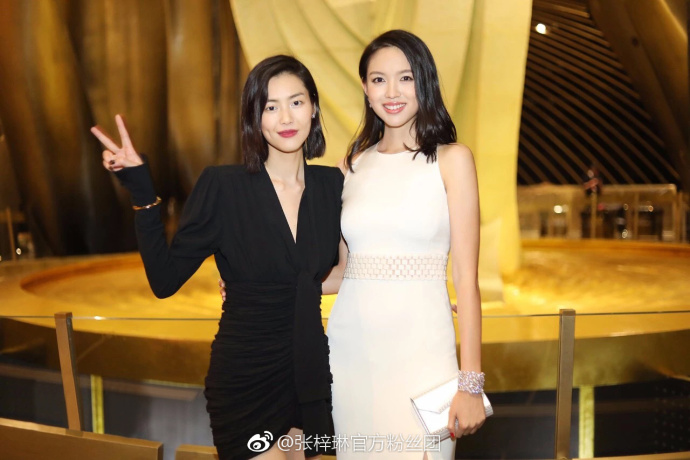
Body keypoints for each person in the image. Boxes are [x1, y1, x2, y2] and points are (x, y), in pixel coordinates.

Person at [91, 55, 343, 460]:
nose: (285, 117)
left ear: (313, 107)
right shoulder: (224, 187)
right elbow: (164, 281)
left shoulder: (333, 186)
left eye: (296, 102)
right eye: (270, 106)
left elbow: (339, 276)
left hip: (310, 376)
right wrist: (142, 193)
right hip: (246, 379)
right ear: (254, 117)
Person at [326, 29, 485, 459]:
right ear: (365, 88)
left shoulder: (452, 160)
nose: (392, 92)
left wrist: (471, 384)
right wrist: (256, 283)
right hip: (351, 357)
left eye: (406, 78)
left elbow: (466, 280)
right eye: (379, 80)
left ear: (424, 81)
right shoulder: (351, 166)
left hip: (424, 357)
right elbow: (342, 273)